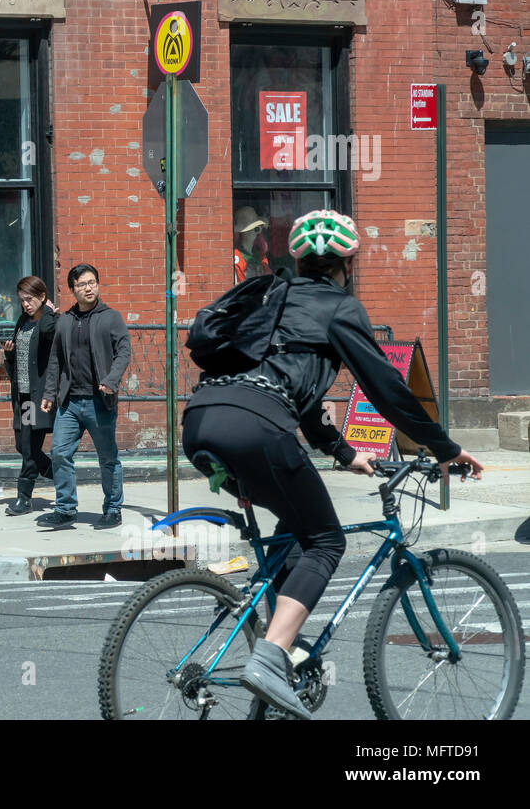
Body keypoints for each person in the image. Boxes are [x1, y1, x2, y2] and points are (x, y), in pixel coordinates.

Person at [181, 209, 484, 718]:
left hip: (200, 422)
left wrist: (344, 453)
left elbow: (295, 399)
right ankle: (271, 656)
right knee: (326, 540)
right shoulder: (342, 308)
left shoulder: (268, 298)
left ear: (297, 260)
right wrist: (444, 447)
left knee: (292, 533)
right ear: (347, 262)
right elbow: (387, 390)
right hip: (257, 428)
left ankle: (282, 650)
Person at [39, 264, 131, 529]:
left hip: (99, 401)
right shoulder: (65, 321)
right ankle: (66, 508)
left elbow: (124, 351)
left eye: (92, 282)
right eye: (81, 284)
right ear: (72, 290)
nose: (88, 288)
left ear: (98, 285)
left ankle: (113, 508)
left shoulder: (111, 317)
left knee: (107, 457)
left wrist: (111, 380)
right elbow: (56, 360)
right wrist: (49, 393)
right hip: (69, 403)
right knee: (59, 453)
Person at [2, 276, 58, 516]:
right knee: (22, 445)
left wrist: (48, 313)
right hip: (23, 397)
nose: (25, 305)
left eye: (30, 299)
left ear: (42, 296)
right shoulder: (23, 320)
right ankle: (57, 472)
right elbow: (19, 356)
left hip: (39, 398)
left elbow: (48, 333)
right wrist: (10, 354)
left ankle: (23, 499)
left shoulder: (50, 322)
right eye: (22, 301)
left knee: (30, 448)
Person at [233, 205, 269, 283]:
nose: (257, 232)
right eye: (255, 228)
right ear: (243, 232)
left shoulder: (261, 256)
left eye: (258, 228)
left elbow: (269, 279)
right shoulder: (237, 256)